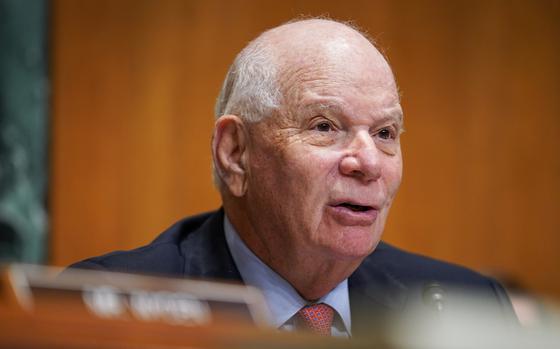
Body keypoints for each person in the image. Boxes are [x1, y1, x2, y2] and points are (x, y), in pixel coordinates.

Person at [70, 18, 515, 337]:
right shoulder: (102, 308)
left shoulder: (467, 306)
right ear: (236, 153)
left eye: (384, 133)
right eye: (324, 126)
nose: (369, 162)